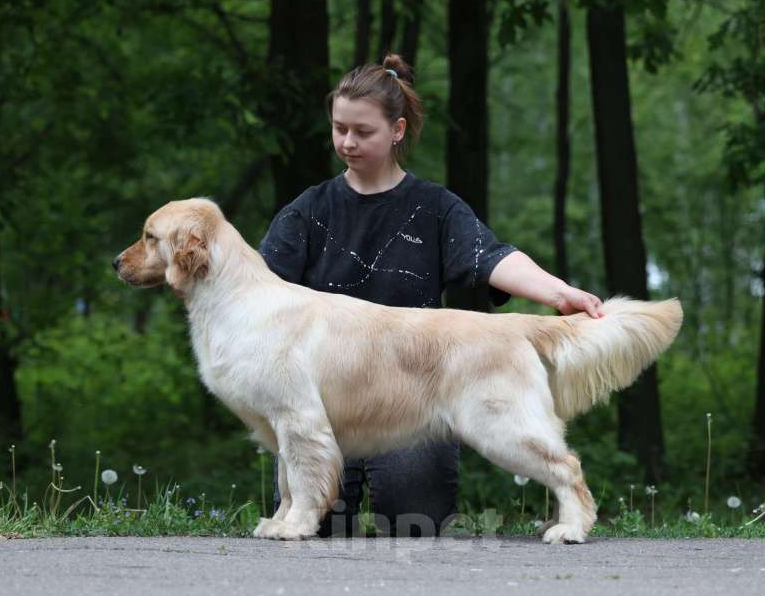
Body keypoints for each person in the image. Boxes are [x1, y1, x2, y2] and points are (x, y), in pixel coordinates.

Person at [258, 53, 603, 537]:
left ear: (397, 131)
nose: (347, 142)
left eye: (363, 131)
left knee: (412, 527)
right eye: (340, 129)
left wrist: (559, 293)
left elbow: (490, 257)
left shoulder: (435, 208)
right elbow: (257, 293)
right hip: (323, 412)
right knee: (319, 532)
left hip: (414, 402)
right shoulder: (307, 211)